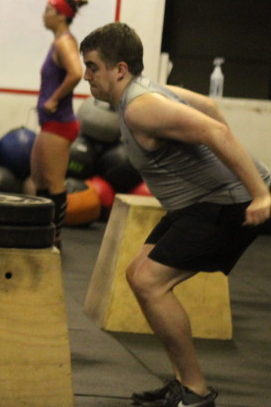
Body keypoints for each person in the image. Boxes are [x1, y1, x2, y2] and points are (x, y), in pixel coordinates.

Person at [80, 22, 270, 407]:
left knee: (150, 283)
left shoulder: (141, 108)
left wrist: (259, 194)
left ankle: (196, 392)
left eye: (92, 67)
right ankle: (186, 382)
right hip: (200, 202)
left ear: (119, 69)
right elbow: (211, 107)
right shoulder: (148, 91)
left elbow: (215, 131)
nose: (86, 76)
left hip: (224, 203)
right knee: (138, 274)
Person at [29, 0, 87, 247]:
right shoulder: (59, 42)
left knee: (53, 184)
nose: (44, 15)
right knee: (38, 180)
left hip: (60, 123)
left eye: (48, 10)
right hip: (49, 124)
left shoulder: (65, 43)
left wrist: (53, 99)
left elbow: (76, 73)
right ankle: (42, 234)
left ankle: (55, 240)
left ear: (61, 16)